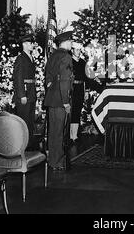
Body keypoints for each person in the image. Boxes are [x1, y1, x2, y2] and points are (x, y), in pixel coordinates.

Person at [44, 31, 74, 171]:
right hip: (61, 100)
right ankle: (58, 162)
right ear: (66, 42)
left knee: (53, 132)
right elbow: (64, 81)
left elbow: (48, 77)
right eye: (71, 42)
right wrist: (66, 101)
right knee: (61, 132)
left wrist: (51, 87)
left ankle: (52, 161)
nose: (72, 44)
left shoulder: (53, 56)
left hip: (51, 98)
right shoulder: (66, 57)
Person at [12, 33, 37, 150]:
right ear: (25, 44)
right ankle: (22, 145)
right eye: (31, 43)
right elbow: (18, 78)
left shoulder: (30, 58)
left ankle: (29, 144)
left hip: (31, 93)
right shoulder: (21, 58)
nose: (33, 45)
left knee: (30, 120)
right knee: (24, 120)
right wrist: (22, 95)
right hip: (25, 94)